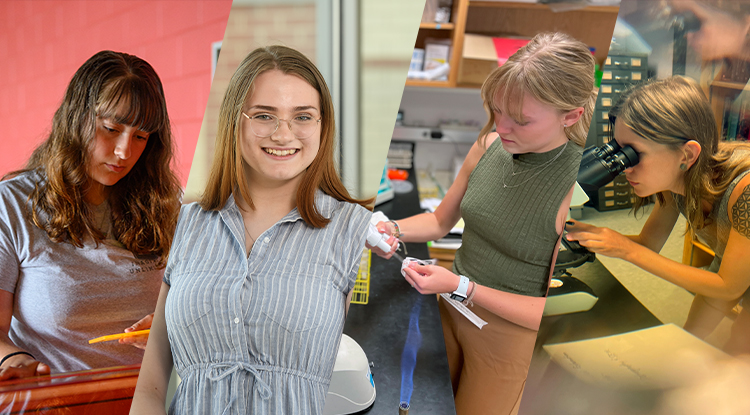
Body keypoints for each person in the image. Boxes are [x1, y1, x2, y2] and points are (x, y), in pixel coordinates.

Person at [130, 45, 372, 415]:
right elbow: (149, 387)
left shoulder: (354, 229)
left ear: (323, 126)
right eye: (264, 115)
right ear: (235, 121)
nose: (283, 134)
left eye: (303, 117)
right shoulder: (187, 222)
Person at [373, 32, 595, 414]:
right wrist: (389, 229)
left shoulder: (575, 189)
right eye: (497, 111)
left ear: (571, 116)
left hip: (507, 339)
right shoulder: (490, 145)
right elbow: (440, 221)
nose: (502, 127)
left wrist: (462, 285)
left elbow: (546, 307)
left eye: (521, 120)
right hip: (451, 308)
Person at [0, 51, 180, 379]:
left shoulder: (166, 206)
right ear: (76, 118)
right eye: (111, 129)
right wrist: (12, 360)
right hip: (55, 402)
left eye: (140, 136)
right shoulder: (12, 205)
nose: (125, 152)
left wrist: (176, 321)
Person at [566, 76, 750, 354]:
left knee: (739, 355)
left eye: (634, 153)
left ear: (686, 154)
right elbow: (648, 245)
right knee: (687, 347)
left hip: (735, 280)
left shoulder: (745, 191)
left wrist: (626, 250)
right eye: (618, 150)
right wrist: (586, 236)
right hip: (735, 272)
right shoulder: (682, 178)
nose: (625, 167)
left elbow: (727, 287)